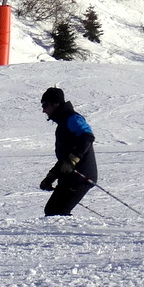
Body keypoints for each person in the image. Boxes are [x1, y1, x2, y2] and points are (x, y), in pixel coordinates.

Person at [38, 86, 97, 217]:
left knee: (56, 212)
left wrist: (73, 160)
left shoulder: (73, 118)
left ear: (56, 103)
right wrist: (51, 176)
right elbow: (65, 159)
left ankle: (72, 235)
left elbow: (87, 136)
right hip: (70, 177)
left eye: (45, 105)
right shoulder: (63, 124)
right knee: (52, 211)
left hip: (82, 176)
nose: (44, 110)